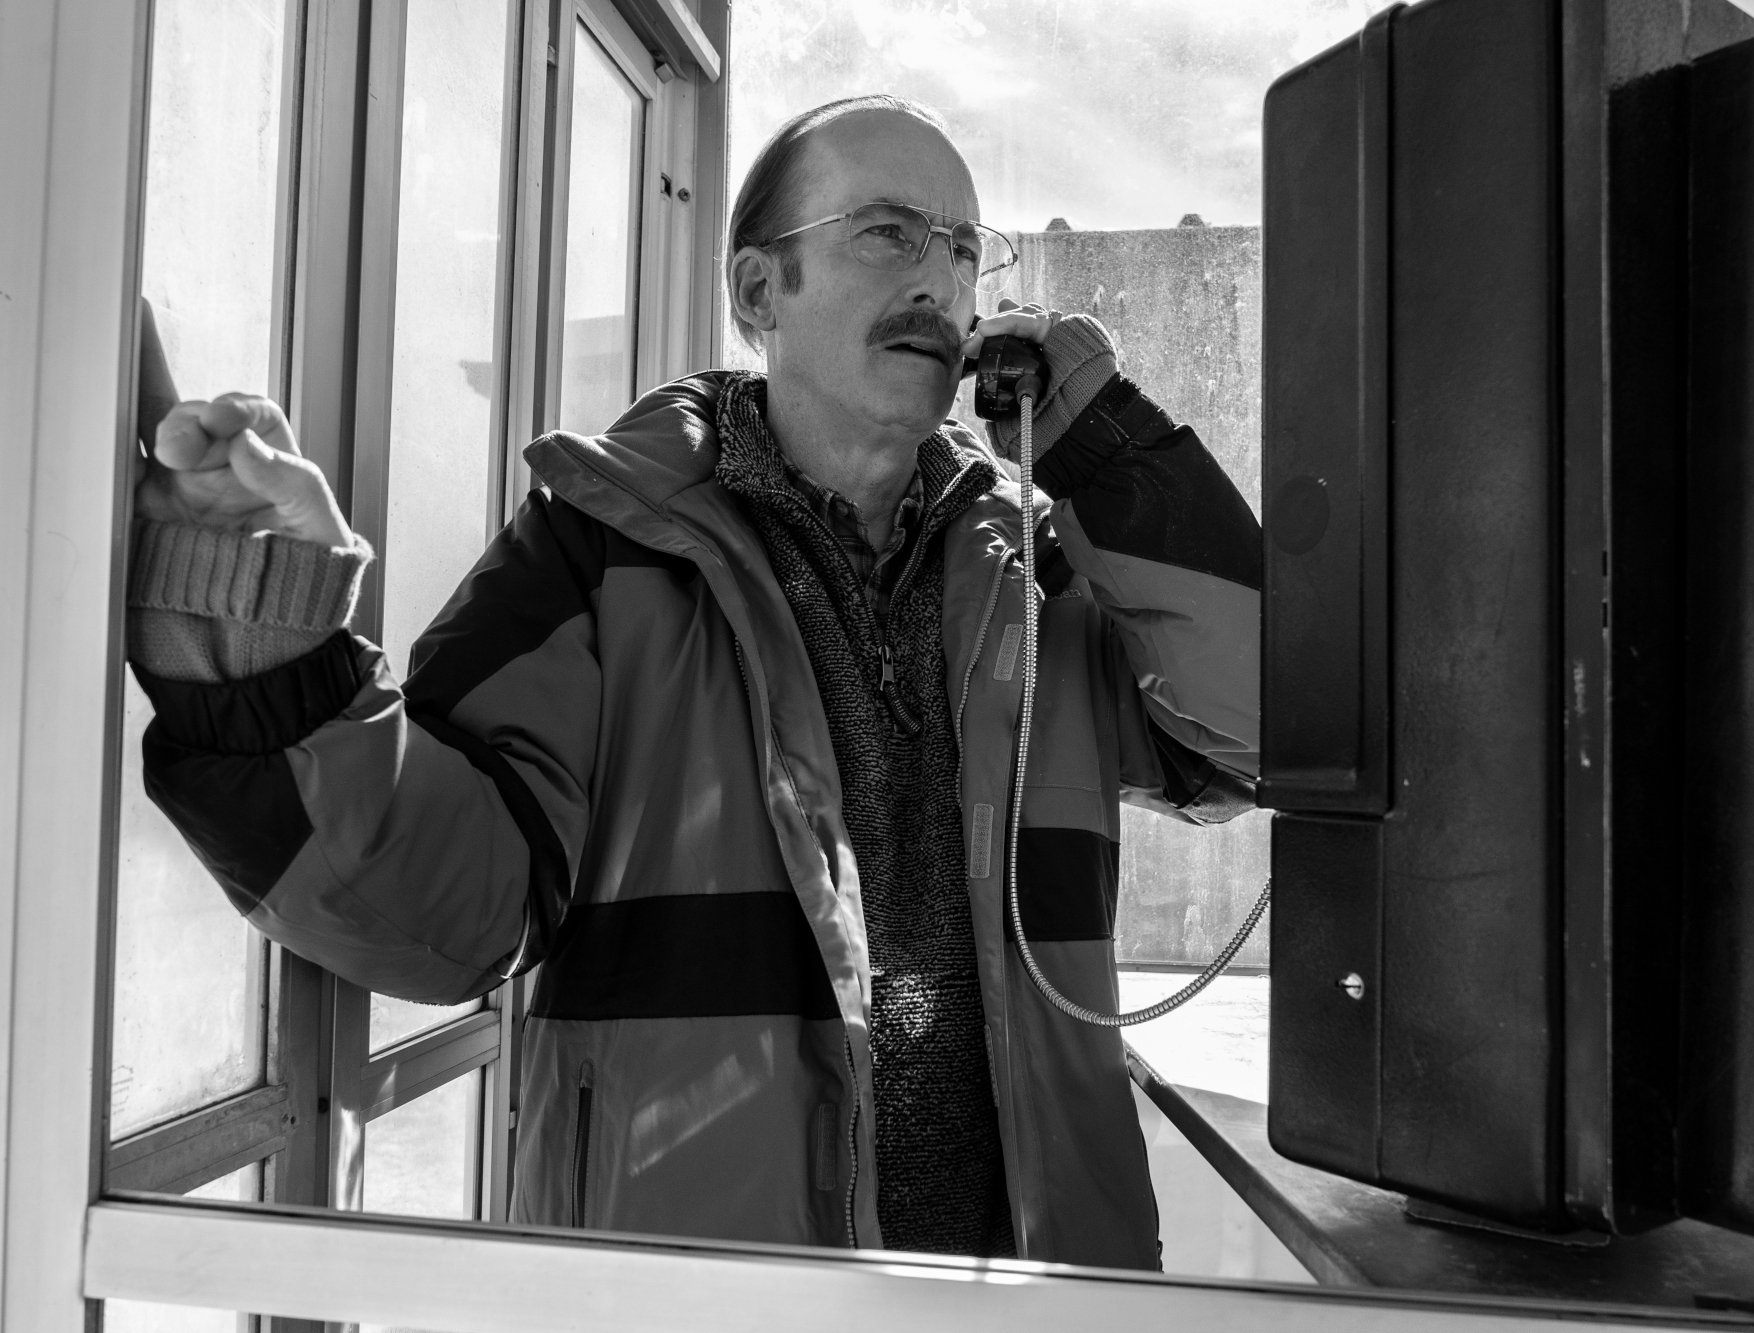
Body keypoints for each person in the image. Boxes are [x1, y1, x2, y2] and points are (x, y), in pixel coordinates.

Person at [127, 93, 1260, 1268]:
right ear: (758, 291)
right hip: (705, 1285)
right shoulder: (597, 546)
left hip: (1031, 1284)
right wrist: (271, 660)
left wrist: (1097, 435)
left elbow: (1267, 736)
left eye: (967, 249)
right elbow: (446, 921)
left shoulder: (1042, 571)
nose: (942, 280)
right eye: (889, 232)